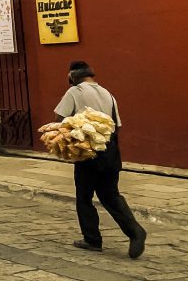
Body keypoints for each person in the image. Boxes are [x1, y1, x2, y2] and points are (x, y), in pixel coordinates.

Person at [54, 61, 146, 259]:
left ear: (72, 76)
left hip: (88, 153)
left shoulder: (75, 92)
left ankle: (92, 239)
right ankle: (135, 231)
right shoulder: (108, 94)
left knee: (84, 196)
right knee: (110, 195)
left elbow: (59, 118)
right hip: (110, 153)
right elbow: (117, 126)